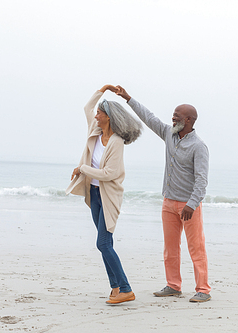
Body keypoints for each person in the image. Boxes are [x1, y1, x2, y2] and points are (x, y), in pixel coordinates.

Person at [115, 85, 211, 302]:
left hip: (189, 206)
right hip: (168, 202)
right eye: (173, 115)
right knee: (170, 249)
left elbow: (202, 181)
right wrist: (128, 98)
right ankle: (173, 286)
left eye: (177, 116)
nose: (172, 118)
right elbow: (149, 118)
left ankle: (203, 290)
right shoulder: (169, 134)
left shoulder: (199, 146)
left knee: (196, 248)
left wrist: (192, 204)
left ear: (188, 120)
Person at [66, 84, 142, 304]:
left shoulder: (117, 142)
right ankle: (116, 287)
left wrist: (82, 168)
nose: (96, 115)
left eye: (100, 113)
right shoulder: (95, 131)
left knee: (103, 244)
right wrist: (104, 89)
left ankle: (126, 289)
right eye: (97, 113)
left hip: (108, 197)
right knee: (105, 243)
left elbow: (109, 174)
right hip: (94, 194)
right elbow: (87, 107)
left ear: (108, 117)